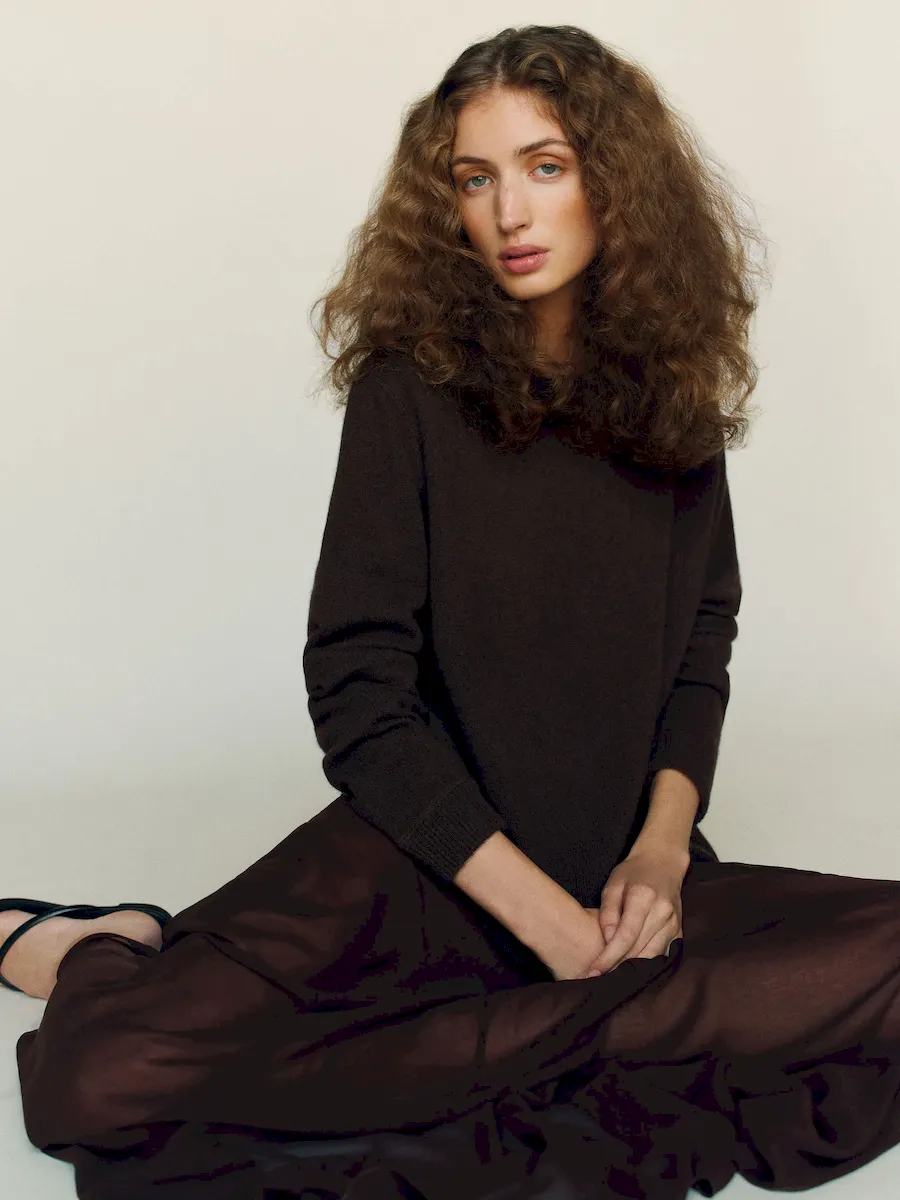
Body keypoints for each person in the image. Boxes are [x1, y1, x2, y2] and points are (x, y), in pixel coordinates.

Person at [3, 22, 900, 1200]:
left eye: (546, 165)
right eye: (476, 180)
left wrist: (659, 856)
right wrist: (554, 934)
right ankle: (107, 940)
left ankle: (525, 1037)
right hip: (428, 858)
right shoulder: (409, 392)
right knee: (99, 1081)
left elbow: (701, 644)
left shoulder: (670, 394)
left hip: (615, 870)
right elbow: (358, 694)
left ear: (614, 180)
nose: (510, 212)